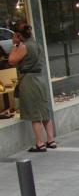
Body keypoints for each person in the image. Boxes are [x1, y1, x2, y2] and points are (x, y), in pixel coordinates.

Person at [8, 21, 56, 152]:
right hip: (40, 78)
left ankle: (40, 143)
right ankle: (51, 140)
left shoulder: (24, 47)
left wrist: (15, 45)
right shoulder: (37, 44)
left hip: (29, 80)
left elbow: (11, 60)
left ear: (18, 35)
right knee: (44, 110)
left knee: (34, 112)